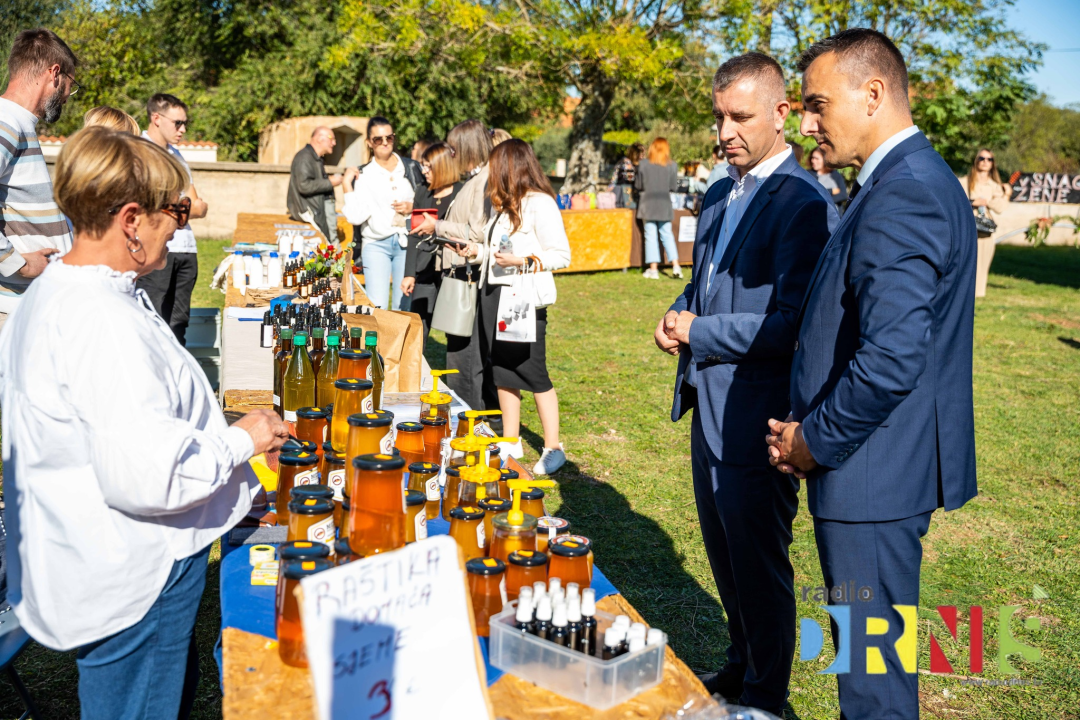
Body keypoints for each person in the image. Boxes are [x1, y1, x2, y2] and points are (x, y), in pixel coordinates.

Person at [0, 126, 290, 719]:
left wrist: (231, 457)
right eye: (175, 212)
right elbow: (149, 475)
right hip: (135, 578)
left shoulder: (63, 291)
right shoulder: (101, 319)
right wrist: (245, 439)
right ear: (132, 219)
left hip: (93, 559)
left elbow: (126, 423)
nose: (181, 226)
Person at [766, 29, 977, 720]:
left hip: (872, 476)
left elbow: (891, 357)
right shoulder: (901, 179)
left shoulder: (903, 191)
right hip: (877, 467)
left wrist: (812, 441)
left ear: (874, 93)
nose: (807, 122)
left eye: (818, 103)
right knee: (870, 667)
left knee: (873, 682)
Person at [654, 53, 836, 716]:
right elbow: (705, 285)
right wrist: (677, 312)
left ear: (782, 113)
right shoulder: (716, 191)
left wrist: (698, 331)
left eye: (740, 116)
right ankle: (742, 665)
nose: (725, 130)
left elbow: (794, 324)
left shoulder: (804, 204)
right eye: (718, 116)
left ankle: (766, 696)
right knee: (725, 554)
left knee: (759, 566)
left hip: (760, 417)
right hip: (709, 406)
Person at [449, 139, 571, 473]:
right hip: (495, 297)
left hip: (524, 302)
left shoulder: (540, 203)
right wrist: (476, 252)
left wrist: (522, 260)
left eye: (495, 164)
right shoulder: (504, 204)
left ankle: (553, 446)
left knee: (533, 371)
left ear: (509, 166)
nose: (490, 172)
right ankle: (511, 438)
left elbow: (561, 255)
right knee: (501, 370)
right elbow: (498, 254)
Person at [413, 119, 496, 414]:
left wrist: (438, 226)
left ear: (466, 148)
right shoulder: (479, 178)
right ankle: (472, 414)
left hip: (468, 275)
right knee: (461, 350)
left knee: (464, 356)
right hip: (459, 272)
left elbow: (476, 232)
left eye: (452, 148)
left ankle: (467, 418)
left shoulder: (484, 179)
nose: (450, 154)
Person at [0, 28, 77, 334]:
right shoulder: (7, 123)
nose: (69, 97)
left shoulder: (16, 123)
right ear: (54, 74)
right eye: (72, 85)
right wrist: (17, 264)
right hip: (13, 312)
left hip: (28, 307)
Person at [135, 93, 209, 346]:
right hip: (156, 249)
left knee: (179, 323)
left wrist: (173, 204)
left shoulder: (177, 154)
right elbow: (147, 202)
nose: (183, 129)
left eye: (185, 123)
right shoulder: (140, 150)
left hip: (186, 248)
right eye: (177, 123)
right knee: (151, 322)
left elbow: (200, 206)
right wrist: (184, 205)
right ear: (156, 118)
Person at [341, 116, 422, 311]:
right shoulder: (364, 175)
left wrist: (413, 207)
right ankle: (377, 342)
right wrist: (346, 185)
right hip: (376, 245)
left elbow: (425, 201)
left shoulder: (411, 168)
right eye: (378, 139)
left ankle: (400, 342)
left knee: (403, 306)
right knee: (376, 306)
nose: (385, 143)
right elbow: (355, 217)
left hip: (406, 242)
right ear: (369, 142)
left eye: (389, 137)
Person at [402, 141, 462, 342]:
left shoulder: (461, 193)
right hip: (424, 268)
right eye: (423, 165)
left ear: (443, 166)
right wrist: (410, 273)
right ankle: (413, 370)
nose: (424, 171)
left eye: (429, 166)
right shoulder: (422, 192)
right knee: (418, 326)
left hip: (453, 269)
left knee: (454, 328)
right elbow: (414, 234)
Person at [960, 148, 1010, 297]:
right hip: (966, 228)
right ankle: (961, 292)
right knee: (963, 262)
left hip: (984, 231)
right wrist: (972, 202)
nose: (985, 162)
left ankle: (976, 296)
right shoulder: (964, 181)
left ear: (993, 164)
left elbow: (1000, 208)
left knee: (981, 263)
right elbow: (953, 202)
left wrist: (1006, 194)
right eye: (982, 158)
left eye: (989, 159)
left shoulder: (995, 186)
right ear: (976, 161)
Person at [286, 126, 342, 243]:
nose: (334, 143)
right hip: (310, 215)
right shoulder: (304, 157)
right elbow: (304, 185)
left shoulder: (316, 158)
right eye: (331, 139)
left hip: (317, 214)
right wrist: (330, 182)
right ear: (319, 139)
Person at [635, 138, 681, 279]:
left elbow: (638, 185)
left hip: (647, 204)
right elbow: (674, 187)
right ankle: (676, 266)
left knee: (650, 236)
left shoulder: (643, 164)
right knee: (667, 235)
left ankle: (653, 270)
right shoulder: (672, 165)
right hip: (664, 204)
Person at [809, 146, 848, 212]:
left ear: (824, 159)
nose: (813, 161)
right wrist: (831, 191)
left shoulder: (835, 174)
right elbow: (811, 193)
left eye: (816, 158)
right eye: (812, 158)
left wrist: (824, 201)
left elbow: (843, 195)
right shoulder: (809, 174)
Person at [609, 143, 643, 208]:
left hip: (619, 194)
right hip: (623, 196)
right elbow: (632, 180)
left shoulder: (623, 162)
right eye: (641, 154)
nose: (642, 157)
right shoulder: (627, 163)